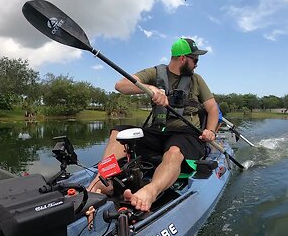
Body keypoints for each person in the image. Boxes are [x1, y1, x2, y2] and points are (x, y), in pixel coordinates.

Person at [88, 38, 219, 212]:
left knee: (174, 151)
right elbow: (121, 85)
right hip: (157, 132)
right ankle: (103, 180)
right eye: (195, 59)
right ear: (182, 58)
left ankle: (150, 191)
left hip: (186, 133)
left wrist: (210, 131)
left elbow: (212, 109)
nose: (197, 64)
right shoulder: (155, 72)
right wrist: (151, 88)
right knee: (119, 133)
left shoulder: (197, 80)